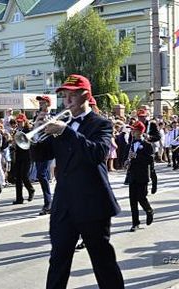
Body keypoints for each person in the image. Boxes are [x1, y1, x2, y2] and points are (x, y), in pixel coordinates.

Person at [41, 74, 124, 289]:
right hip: (64, 203)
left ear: (85, 95)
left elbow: (97, 153)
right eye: (64, 95)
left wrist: (66, 132)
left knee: (102, 260)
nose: (66, 100)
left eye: (71, 95)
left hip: (92, 203)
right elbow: (40, 155)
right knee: (58, 259)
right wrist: (35, 132)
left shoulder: (101, 123)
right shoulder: (62, 123)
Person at [125, 121, 154, 232]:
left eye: (134, 130)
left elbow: (150, 160)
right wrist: (126, 162)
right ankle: (135, 223)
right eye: (132, 130)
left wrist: (137, 156)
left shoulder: (147, 145)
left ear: (140, 131)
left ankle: (149, 210)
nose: (132, 131)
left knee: (141, 198)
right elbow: (126, 157)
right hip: (132, 174)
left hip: (142, 175)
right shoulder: (131, 144)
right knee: (132, 200)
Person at [31, 96, 54, 215]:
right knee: (41, 175)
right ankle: (48, 201)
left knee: (41, 174)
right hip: (37, 148)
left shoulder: (53, 115)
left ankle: (48, 203)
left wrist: (46, 123)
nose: (40, 104)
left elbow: (53, 132)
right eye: (40, 102)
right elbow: (33, 132)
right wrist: (36, 123)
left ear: (48, 104)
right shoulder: (36, 115)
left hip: (47, 149)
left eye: (43, 102)